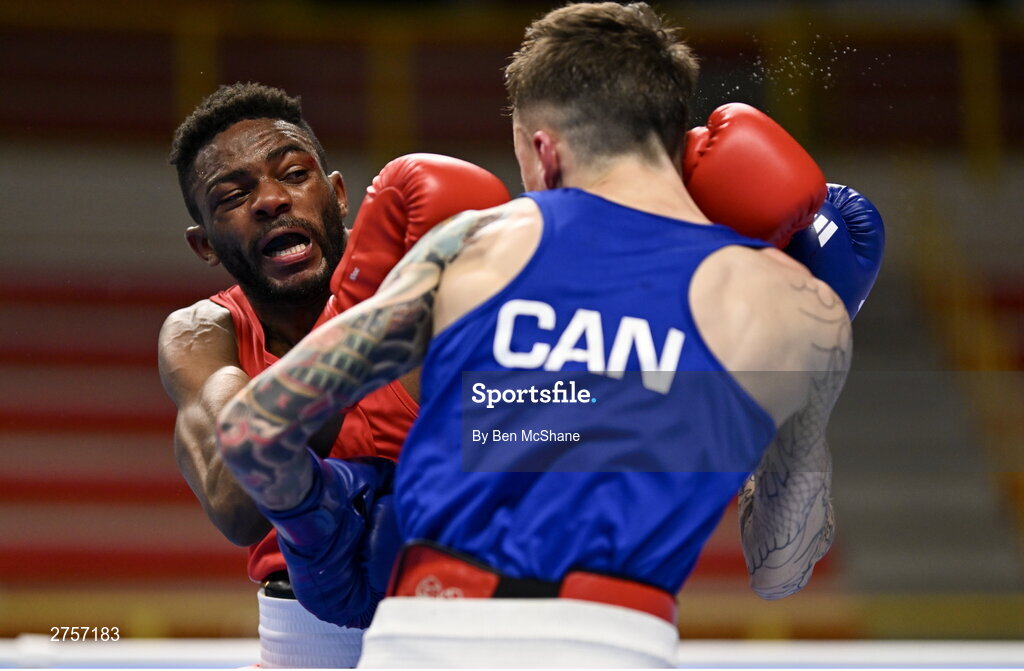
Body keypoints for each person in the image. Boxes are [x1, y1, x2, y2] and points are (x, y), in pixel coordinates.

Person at [216, 3, 885, 666]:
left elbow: (253, 430)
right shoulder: (799, 310)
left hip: (424, 633)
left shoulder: (470, 248)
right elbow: (779, 569)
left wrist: (320, 528)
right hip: (614, 644)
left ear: (544, 150)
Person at [158, 82, 509, 667]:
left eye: (293, 174)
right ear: (205, 246)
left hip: (466, 630)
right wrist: (357, 305)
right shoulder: (203, 334)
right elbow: (235, 503)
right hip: (303, 649)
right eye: (233, 195)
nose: (270, 200)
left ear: (339, 194)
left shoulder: (434, 292)